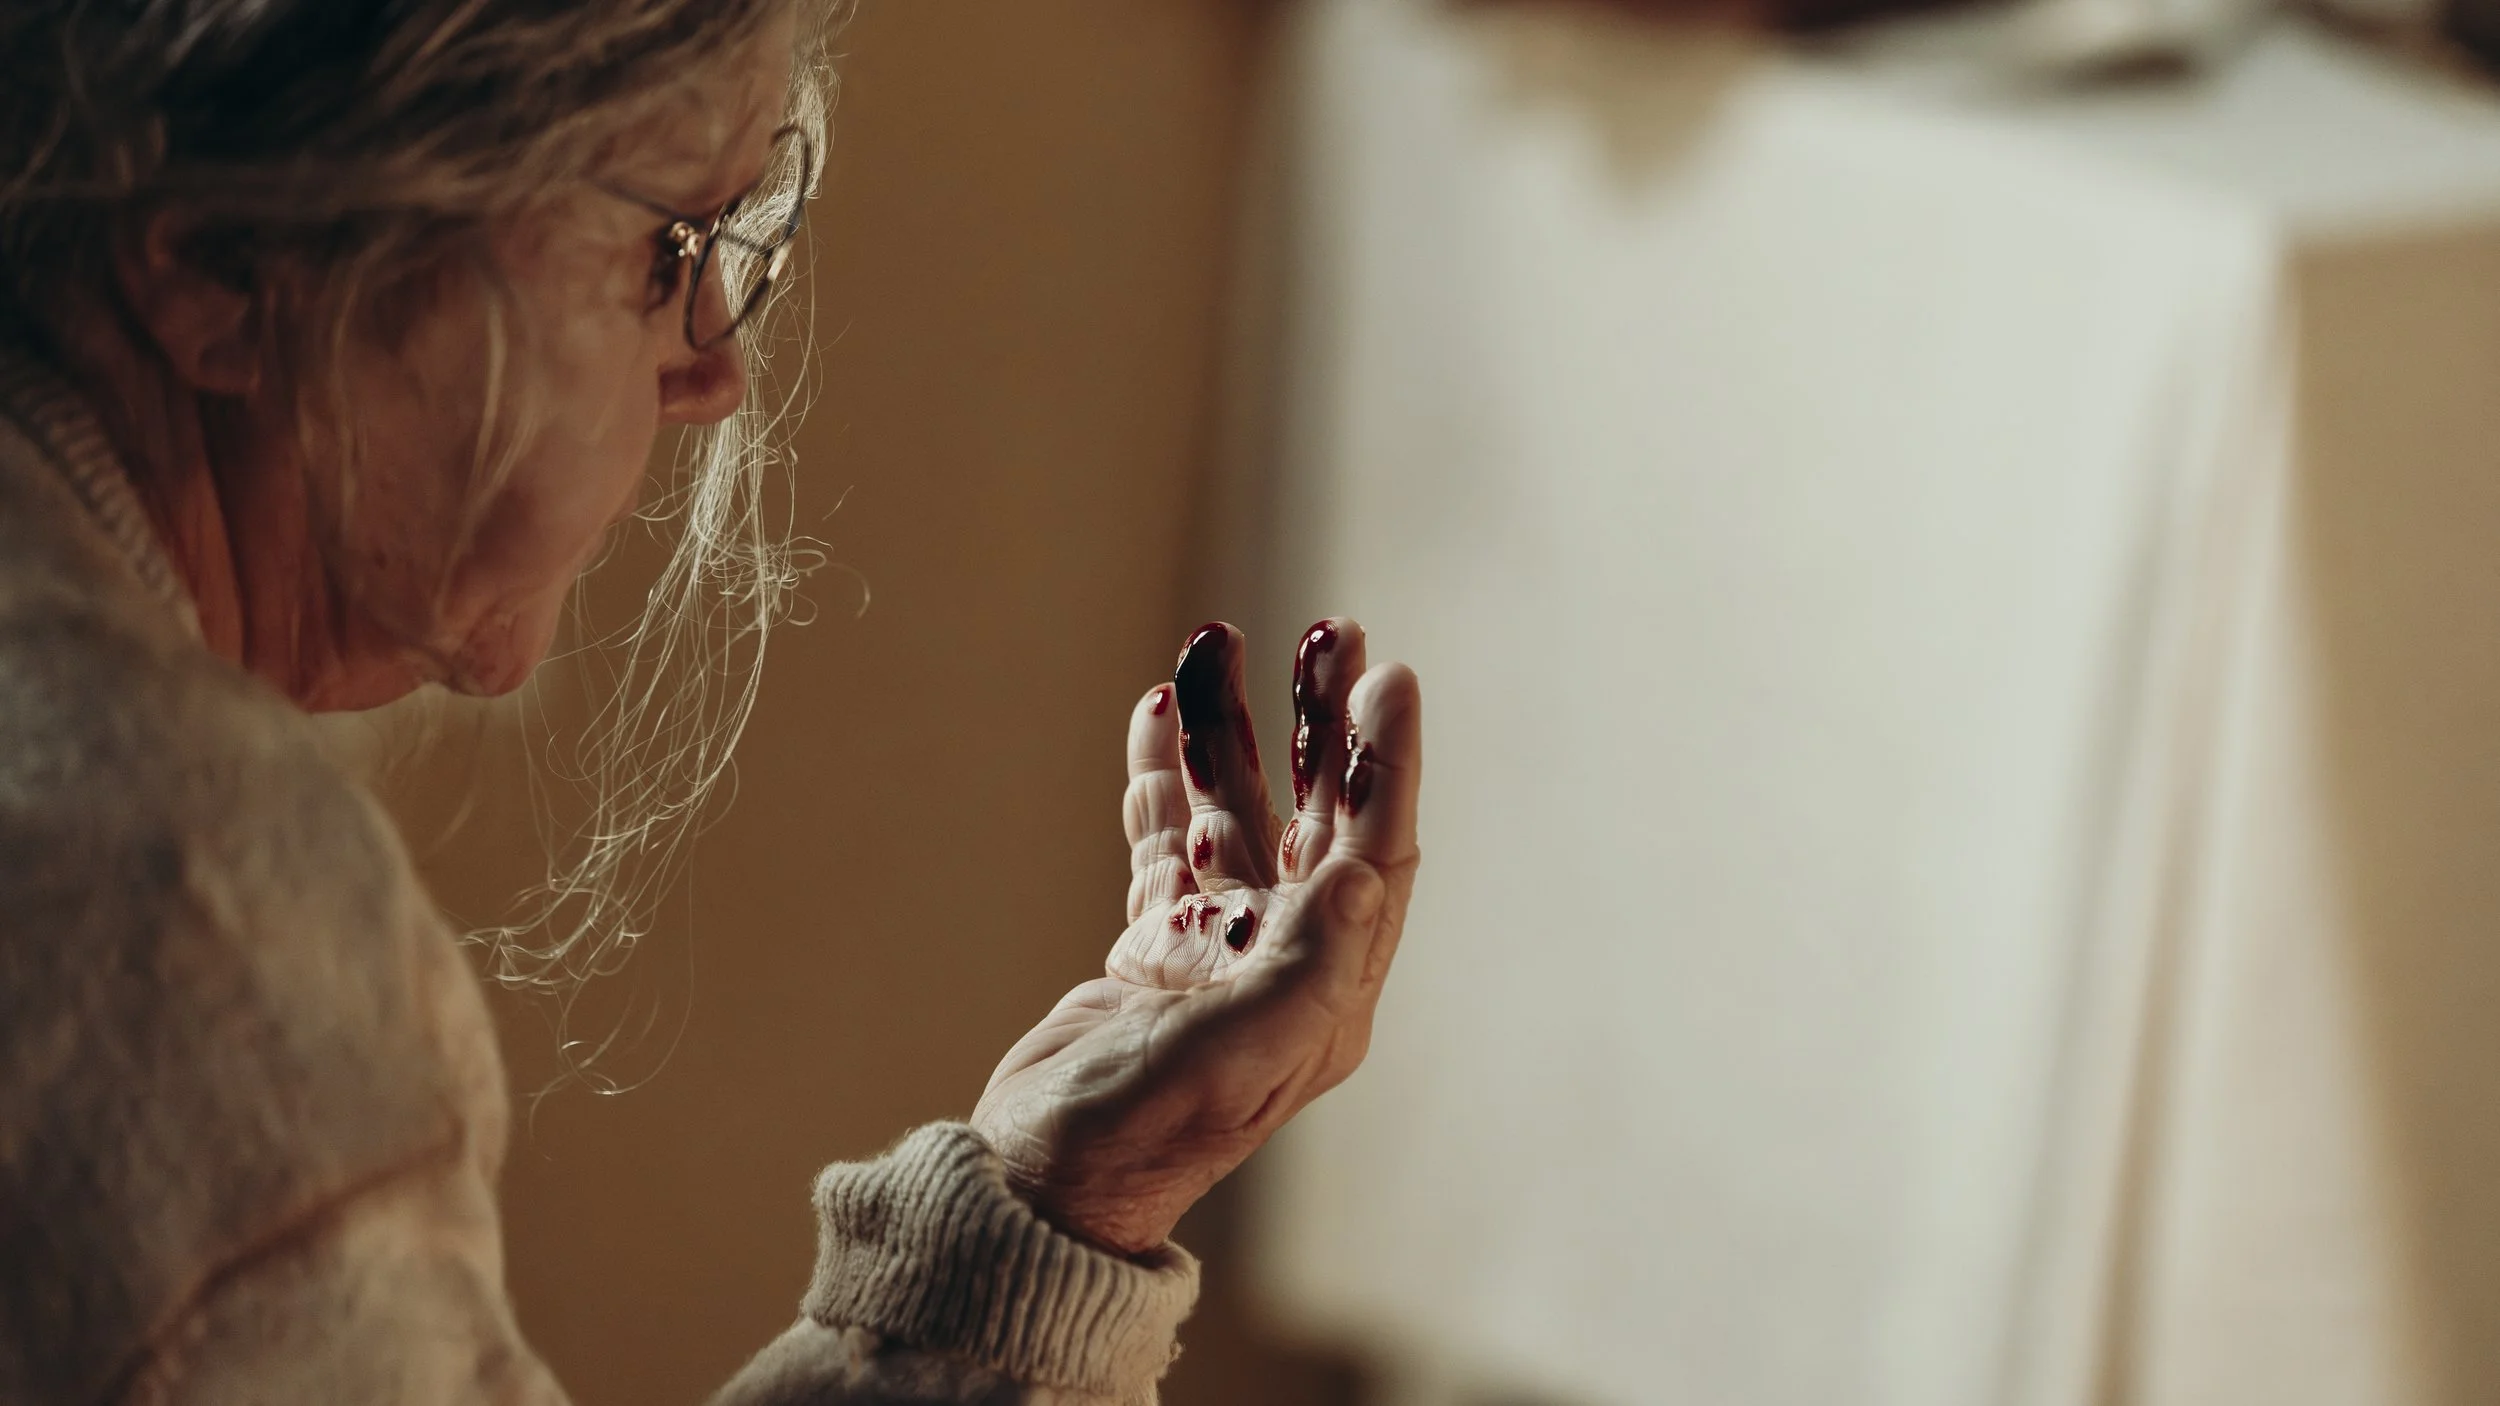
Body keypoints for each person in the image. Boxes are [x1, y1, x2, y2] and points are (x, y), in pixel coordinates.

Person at [0, 2, 1424, 1403]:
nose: (714, 370)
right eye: (669, 242)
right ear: (228, 269)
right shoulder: (173, 900)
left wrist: (1061, 1203)